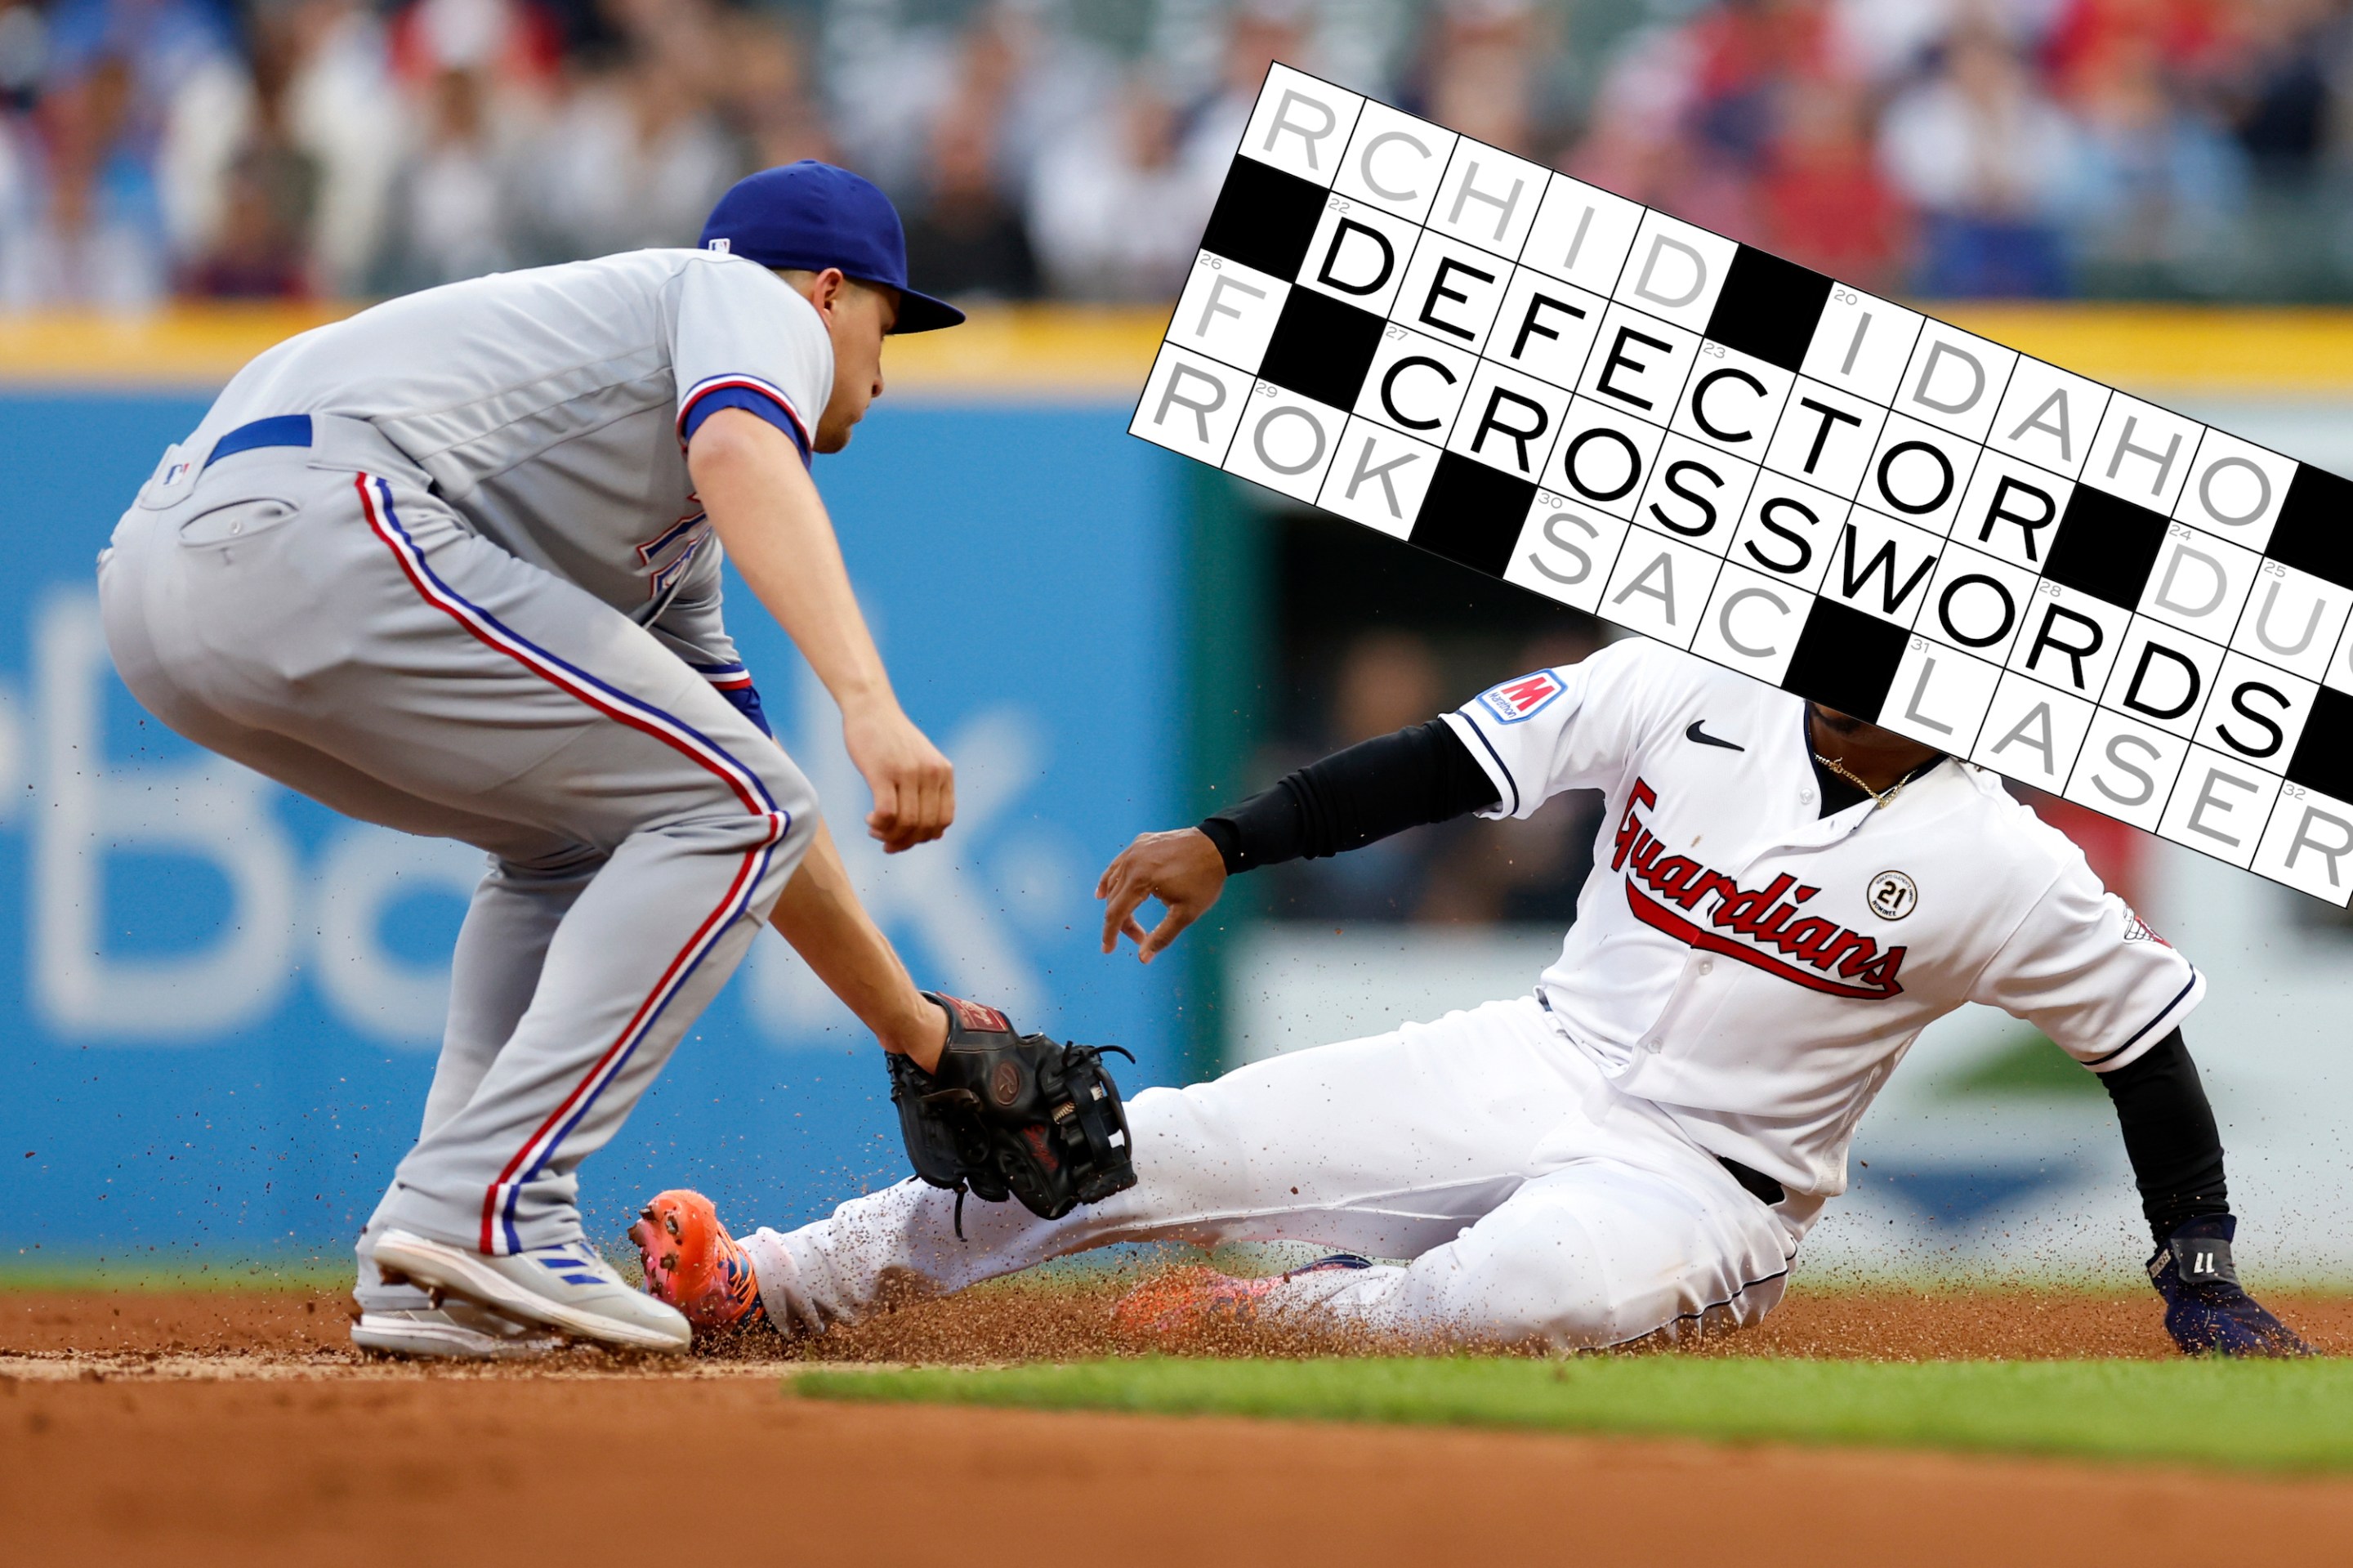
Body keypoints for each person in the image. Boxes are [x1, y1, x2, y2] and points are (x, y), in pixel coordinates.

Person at [636, 637, 2310, 1357]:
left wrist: (2201, 1261)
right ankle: (765, 1284)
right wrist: (1237, 838)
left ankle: (1290, 1317)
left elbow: (2145, 1049)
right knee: (1121, 1149)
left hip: (1706, 1184)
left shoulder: (2006, 863)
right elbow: (1453, 760)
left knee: (1532, 1293)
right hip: (1533, 1059)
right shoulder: (1691, 681)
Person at [100, 161, 972, 1358]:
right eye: (887, 319)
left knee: (602, 831)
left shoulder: (657, 512)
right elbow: (740, 453)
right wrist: (868, 706)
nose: (882, 366)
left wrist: (918, 1031)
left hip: (166, 584)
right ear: (828, 291)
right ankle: (488, 1204)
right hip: (321, 522)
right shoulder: (746, 306)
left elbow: (743, 798)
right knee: (744, 805)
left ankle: (435, 1271)